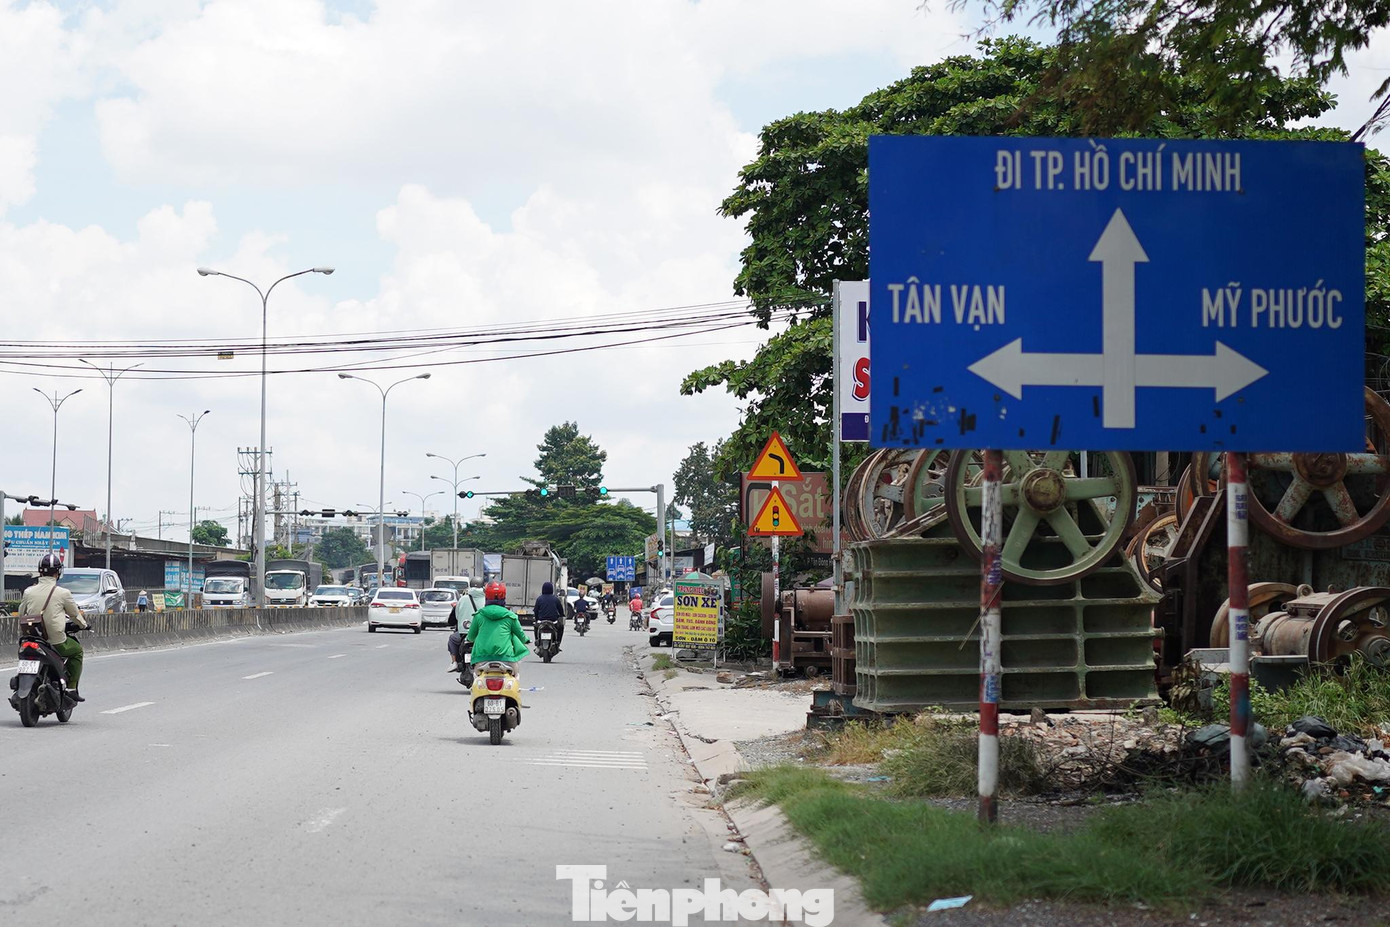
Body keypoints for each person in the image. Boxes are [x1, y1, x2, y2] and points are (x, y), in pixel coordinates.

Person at [21, 552, 89, 701]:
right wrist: (84, 625)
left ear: (40, 571)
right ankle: (71, 688)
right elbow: (75, 614)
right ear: (58, 572)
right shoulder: (63, 593)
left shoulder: (28, 591)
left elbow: (22, 613)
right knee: (77, 652)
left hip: (31, 638)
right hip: (55, 640)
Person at [464, 581, 530, 671]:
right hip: (506, 658)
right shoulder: (510, 616)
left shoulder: (479, 615)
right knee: (515, 674)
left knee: (476, 678)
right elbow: (521, 637)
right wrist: (526, 640)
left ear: (486, 596)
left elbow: (471, 637)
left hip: (481, 658)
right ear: (503, 596)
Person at [531, 581, 566, 649]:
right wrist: (562, 615)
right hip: (553, 621)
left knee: (536, 627)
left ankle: (537, 640)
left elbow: (536, 610)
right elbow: (560, 610)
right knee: (561, 627)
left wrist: (537, 619)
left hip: (541, 621)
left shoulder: (539, 599)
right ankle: (558, 642)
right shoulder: (555, 599)